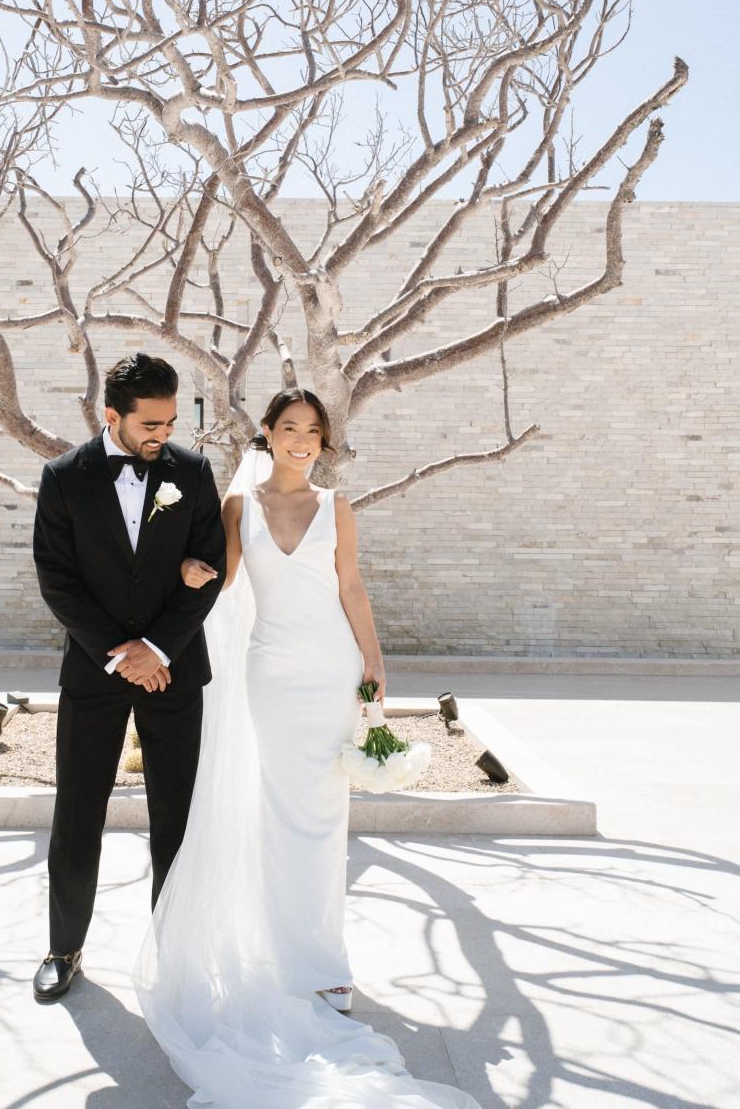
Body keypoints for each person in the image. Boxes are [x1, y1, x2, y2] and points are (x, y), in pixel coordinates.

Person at [135, 388, 483, 1109]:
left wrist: (375, 659)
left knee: (324, 814)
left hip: (330, 669)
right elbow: (225, 578)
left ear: (323, 443)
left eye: (312, 432)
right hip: (271, 670)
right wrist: (190, 572)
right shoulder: (241, 508)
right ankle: (274, 948)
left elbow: (350, 585)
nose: (300, 441)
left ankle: (323, 963)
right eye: (288, 428)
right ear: (265, 434)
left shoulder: (337, 508)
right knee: (277, 809)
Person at [30, 352, 226, 1003]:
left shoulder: (193, 476)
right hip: (95, 669)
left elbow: (210, 569)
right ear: (111, 415)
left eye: (171, 423)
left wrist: (159, 650)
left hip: (173, 671)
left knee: (176, 816)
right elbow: (57, 580)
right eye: (151, 424)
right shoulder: (63, 479)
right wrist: (122, 651)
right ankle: (64, 947)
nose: (163, 436)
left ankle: (176, 952)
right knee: (78, 812)